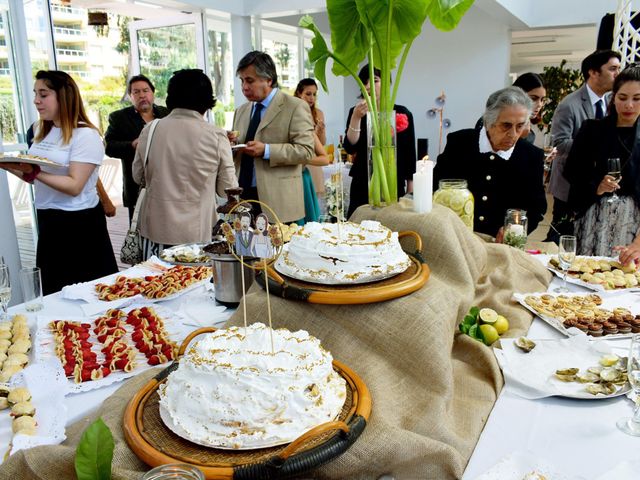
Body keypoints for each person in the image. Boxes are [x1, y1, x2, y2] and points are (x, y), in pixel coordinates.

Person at [0, 70, 117, 294]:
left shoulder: (86, 135)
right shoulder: (39, 129)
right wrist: (11, 166)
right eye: (36, 94)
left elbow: (74, 186)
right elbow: (36, 179)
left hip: (79, 226)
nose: (36, 100)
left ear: (63, 96)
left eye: (43, 94)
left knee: (89, 293)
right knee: (55, 292)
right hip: (48, 221)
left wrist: (34, 173)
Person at [132, 69, 237, 260]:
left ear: (171, 97)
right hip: (198, 236)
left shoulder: (150, 129)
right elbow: (227, 189)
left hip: (155, 231)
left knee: (156, 285)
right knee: (193, 286)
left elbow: (138, 176)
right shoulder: (216, 135)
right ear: (207, 100)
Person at [434, 86, 547, 238]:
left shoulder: (531, 156)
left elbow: (536, 208)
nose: (513, 134)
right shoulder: (459, 143)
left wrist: (515, 229)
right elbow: (436, 188)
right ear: (488, 121)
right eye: (506, 125)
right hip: (456, 238)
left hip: (500, 245)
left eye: (520, 126)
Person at [565, 65, 640, 261]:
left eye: (637, 99)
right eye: (622, 98)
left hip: (634, 224)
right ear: (613, 97)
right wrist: (597, 184)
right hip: (593, 215)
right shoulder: (593, 129)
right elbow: (572, 171)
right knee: (586, 274)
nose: (629, 105)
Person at [230, 51, 315, 223]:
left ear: (268, 79)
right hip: (243, 199)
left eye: (249, 80)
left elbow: (306, 151)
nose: (244, 87)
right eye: (242, 81)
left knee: (280, 250)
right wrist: (230, 144)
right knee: (242, 249)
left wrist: (267, 150)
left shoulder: (295, 107)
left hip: (279, 202)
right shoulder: (241, 111)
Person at [547, 49, 622, 242]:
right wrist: (592, 146)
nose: (618, 74)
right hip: (570, 184)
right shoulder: (569, 104)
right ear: (593, 72)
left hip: (599, 183)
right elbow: (560, 144)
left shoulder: (611, 102)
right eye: (613, 69)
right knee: (563, 236)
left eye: (619, 69)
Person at [343, 64, 416, 218]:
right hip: (362, 182)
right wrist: (356, 118)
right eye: (364, 82)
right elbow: (350, 147)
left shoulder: (402, 113)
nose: (368, 86)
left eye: (374, 81)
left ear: (387, 83)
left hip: (393, 183)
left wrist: (411, 193)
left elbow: (410, 155)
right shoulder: (355, 111)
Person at [105, 74, 169, 224]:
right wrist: (131, 145)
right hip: (137, 187)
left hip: (166, 185)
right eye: (136, 92)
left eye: (145, 90)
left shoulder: (167, 113)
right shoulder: (119, 118)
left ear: (152, 93)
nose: (142, 95)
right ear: (130, 96)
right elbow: (109, 146)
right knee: (139, 233)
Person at [294, 78, 331, 223]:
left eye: (314, 94)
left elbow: (321, 144)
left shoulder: (318, 113)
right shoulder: (294, 112)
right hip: (298, 159)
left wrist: (319, 131)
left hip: (313, 161)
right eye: (308, 94)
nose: (312, 98)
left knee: (312, 201)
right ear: (299, 93)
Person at [475, 72, 548, 144]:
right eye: (533, 98)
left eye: (542, 100)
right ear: (517, 95)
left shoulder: (527, 127)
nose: (539, 104)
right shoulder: (490, 119)